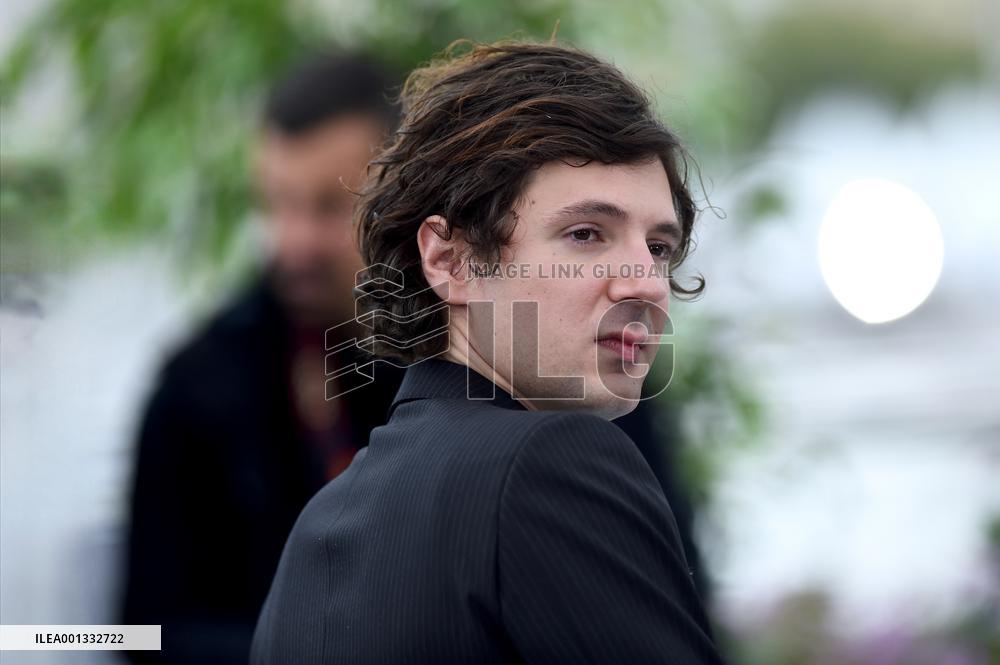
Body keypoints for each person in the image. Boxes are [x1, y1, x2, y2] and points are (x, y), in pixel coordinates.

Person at [250, 40, 726, 664]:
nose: (644, 280)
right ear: (448, 259)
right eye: (586, 234)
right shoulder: (552, 465)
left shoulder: (319, 531)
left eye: (659, 246)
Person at [119, 53, 406, 664]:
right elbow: (139, 632)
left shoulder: (509, 360)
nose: (294, 241)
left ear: (409, 203)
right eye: (276, 203)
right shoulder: (200, 383)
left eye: (331, 208)